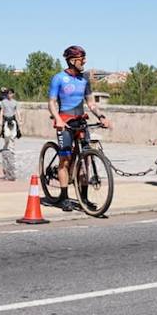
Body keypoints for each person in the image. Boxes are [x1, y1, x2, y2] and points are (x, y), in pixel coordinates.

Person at [47, 45, 109, 212]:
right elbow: (52, 102)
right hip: (65, 122)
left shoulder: (84, 80)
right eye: (82, 59)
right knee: (65, 160)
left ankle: (84, 198)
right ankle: (64, 197)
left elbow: (91, 103)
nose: (85, 62)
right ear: (72, 60)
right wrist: (58, 119)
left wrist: (101, 116)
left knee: (85, 161)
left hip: (80, 121)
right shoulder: (59, 78)